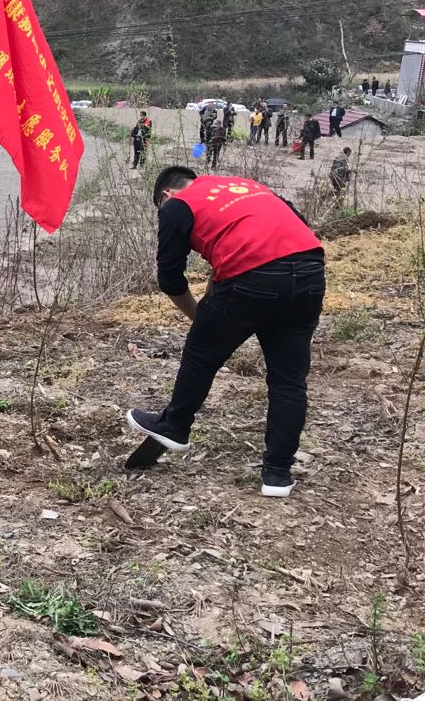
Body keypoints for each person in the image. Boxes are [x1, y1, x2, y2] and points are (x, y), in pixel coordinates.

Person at [127, 167, 325, 497]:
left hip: (252, 276)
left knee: (200, 356)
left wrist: (199, 319)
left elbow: (170, 279)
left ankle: (175, 426)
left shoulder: (177, 205)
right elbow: (296, 223)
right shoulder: (247, 187)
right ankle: (277, 475)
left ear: (165, 196)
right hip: (309, 273)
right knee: (288, 380)